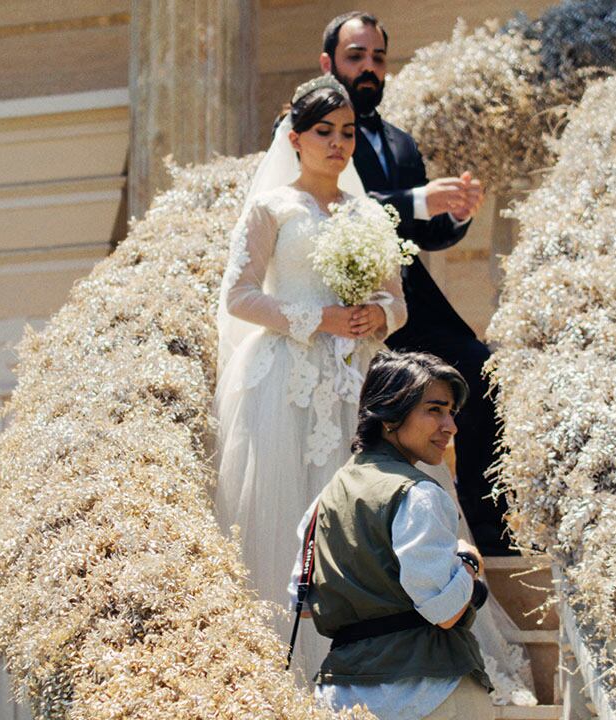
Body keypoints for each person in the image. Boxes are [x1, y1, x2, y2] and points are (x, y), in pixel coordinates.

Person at [213, 75, 407, 674]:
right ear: (295, 138)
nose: (337, 144)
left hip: (356, 378)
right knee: (286, 505)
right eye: (324, 132)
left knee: (363, 504)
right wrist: (315, 318)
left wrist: (375, 314)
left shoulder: (370, 213)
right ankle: (282, 660)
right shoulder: (272, 207)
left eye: (347, 133)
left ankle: (373, 648)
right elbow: (239, 298)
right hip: (284, 381)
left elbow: (398, 304)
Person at [319, 11, 513, 556]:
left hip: (406, 299)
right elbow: (335, 203)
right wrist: (415, 201)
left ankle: (490, 530)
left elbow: (423, 230)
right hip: (337, 297)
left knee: (480, 366)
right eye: (356, 56)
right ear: (328, 62)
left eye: (377, 58)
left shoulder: (399, 143)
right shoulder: (311, 130)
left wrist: (453, 213)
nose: (368, 68)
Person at [288, 351, 493, 720]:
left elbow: (302, 603)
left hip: (343, 699)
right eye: (435, 410)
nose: (450, 426)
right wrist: (468, 562)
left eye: (451, 413)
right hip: (432, 693)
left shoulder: (325, 500)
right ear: (389, 416)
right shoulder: (418, 494)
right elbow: (444, 611)